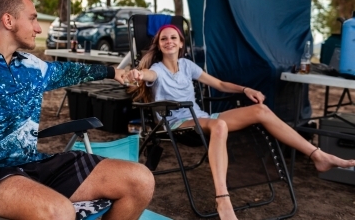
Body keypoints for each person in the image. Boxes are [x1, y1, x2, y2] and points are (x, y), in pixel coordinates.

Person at [0, 0, 155, 220]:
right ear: (8, 20)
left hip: (35, 164)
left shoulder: (32, 66)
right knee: (60, 212)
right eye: (33, 19)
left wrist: (112, 71)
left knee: (141, 180)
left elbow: (70, 71)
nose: (38, 28)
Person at [126, 24, 355, 220]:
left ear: (181, 43)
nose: (168, 41)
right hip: (177, 123)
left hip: (202, 117)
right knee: (219, 125)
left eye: (173, 37)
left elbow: (221, 85)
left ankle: (318, 156)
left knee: (261, 110)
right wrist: (138, 74)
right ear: (159, 44)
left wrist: (245, 89)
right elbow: (147, 76)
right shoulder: (156, 69)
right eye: (164, 39)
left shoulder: (188, 66)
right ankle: (223, 199)